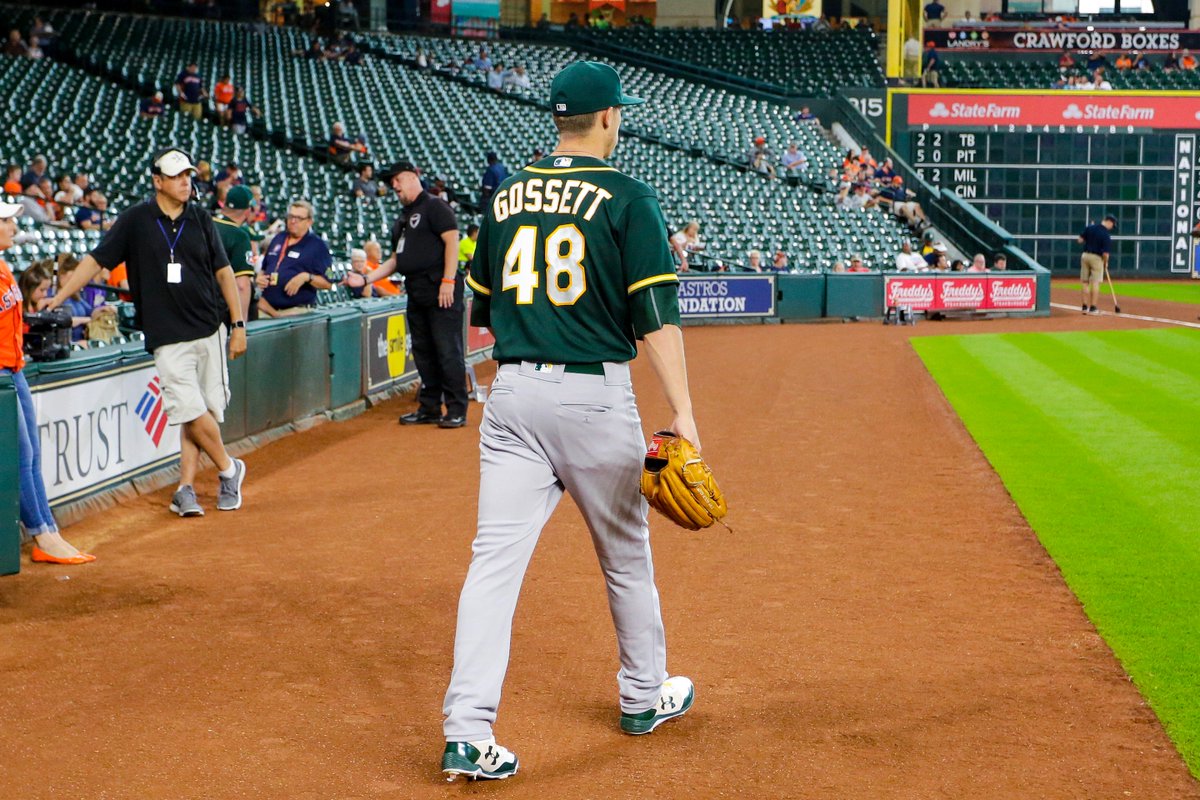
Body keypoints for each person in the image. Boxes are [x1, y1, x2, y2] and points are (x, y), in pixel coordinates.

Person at [440, 61, 698, 782]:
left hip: (513, 394)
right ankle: (643, 698)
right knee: (625, 558)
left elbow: (485, 310)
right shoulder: (627, 195)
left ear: (560, 120)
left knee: (492, 568)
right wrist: (682, 411)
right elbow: (655, 315)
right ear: (609, 119)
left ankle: (466, 732)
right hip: (591, 397)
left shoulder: (505, 195)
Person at [46, 147, 248, 517]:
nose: (186, 181)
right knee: (189, 408)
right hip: (165, 333)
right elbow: (95, 260)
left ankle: (185, 488)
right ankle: (230, 469)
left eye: (188, 174)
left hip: (208, 328)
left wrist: (237, 325)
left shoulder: (201, 219)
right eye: (176, 175)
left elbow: (224, 273)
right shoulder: (135, 220)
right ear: (158, 181)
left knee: (202, 412)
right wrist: (59, 294)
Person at [0, 204, 96, 564]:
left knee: (34, 456)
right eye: (5, 221)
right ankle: (42, 534)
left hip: (15, 368)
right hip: (1, 374)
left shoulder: (4, 265)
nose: (13, 226)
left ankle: (49, 532)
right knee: (22, 458)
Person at [345, 162, 466, 427]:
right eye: (391, 183)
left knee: (447, 350)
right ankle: (430, 407)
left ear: (413, 177)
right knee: (423, 351)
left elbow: (452, 241)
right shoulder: (403, 216)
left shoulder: (435, 206)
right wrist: (366, 278)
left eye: (397, 180)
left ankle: (456, 408)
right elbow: (395, 260)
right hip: (417, 290)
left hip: (440, 289)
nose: (394, 186)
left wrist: (448, 280)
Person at [257, 200, 333, 317]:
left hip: (297, 312)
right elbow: (264, 268)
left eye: (298, 218)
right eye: (291, 216)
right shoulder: (278, 238)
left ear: (309, 222)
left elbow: (328, 282)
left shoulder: (318, 246)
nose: (293, 221)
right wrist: (260, 278)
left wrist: (306, 277)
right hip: (267, 309)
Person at [215, 185, 258, 324]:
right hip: (221, 312)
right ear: (248, 210)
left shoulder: (206, 224)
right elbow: (242, 285)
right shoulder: (239, 235)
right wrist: (240, 324)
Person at [1078, 215, 1115, 314]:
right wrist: (1105, 263)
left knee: (1085, 282)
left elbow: (1079, 240)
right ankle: (1093, 308)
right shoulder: (1105, 235)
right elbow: (1105, 254)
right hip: (1097, 258)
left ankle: (1084, 307)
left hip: (1085, 256)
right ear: (1109, 222)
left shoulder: (1090, 228)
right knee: (1095, 282)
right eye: (1112, 225)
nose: (1112, 227)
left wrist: (1089, 236)